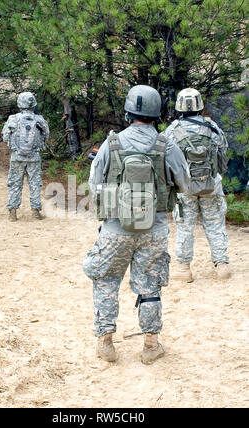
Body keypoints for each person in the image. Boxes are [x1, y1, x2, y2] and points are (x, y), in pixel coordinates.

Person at [82, 85, 190, 364]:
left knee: (106, 280)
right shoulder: (167, 144)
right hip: (152, 228)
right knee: (149, 285)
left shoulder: (112, 143)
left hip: (115, 227)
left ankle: (106, 343)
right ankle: (151, 346)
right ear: (156, 114)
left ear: (129, 112)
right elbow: (185, 184)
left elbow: (94, 185)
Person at [165, 88, 230, 282]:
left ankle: (184, 269)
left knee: (185, 227)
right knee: (215, 223)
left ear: (179, 106)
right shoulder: (212, 127)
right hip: (211, 184)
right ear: (200, 105)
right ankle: (222, 266)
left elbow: (165, 157)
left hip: (185, 187)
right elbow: (223, 152)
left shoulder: (173, 130)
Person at [2, 92, 49, 221]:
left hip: (17, 157)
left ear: (20, 104)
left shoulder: (13, 119)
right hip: (34, 157)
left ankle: (12, 213)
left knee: (15, 183)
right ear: (33, 104)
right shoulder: (39, 119)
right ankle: (35, 212)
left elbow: (5, 136)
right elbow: (46, 134)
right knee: (34, 184)